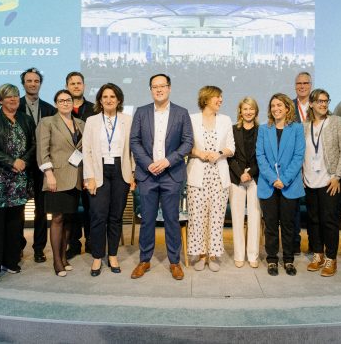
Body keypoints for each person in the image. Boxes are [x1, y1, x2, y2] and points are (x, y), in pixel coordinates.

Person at [129, 74, 193, 280]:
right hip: (147, 175)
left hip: (171, 174)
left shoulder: (181, 113)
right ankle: (144, 260)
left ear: (169, 88)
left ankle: (174, 262)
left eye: (162, 86)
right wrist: (148, 164)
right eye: (154, 86)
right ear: (150, 90)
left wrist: (167, 161)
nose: (158, 89)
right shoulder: (141, 112)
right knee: (147, 220)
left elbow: (187, 142)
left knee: (171, 220)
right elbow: (134, 141)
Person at [0, 84, 36, 283]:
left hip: (18, 179)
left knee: (14, 223)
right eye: (8, 96)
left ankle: (10, 261)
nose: (13, 99)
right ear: (0, 100)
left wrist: (23, 161)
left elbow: (34, 145)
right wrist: (11, 162)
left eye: (16, 96)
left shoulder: (26, 120)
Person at [83, 83, 134, 276]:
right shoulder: (92, 121)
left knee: (116, 216)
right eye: (105, 97)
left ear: (118, 100)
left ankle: (112, 255)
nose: (109, 100)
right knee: (98, 215)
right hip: (99, 170)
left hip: (121, 170)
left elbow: (132, 150)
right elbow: (87, 151)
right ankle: (97, 257)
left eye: (112, 96)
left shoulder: (127, 120)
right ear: (100, 100)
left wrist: (133, 174)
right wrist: (89, 177)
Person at [36, 89, 85, 277]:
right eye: (61, 100)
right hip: (55, 178)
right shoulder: (47, 122)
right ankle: (57, 261)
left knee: (68, 221)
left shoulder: (80, 123)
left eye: (68, 100)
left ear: (73, 102)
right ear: (56, 104)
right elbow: (43, 151)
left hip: (75, 179)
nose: (65, 103)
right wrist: (49, 174)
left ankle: (64, 257)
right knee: (57, 219)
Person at [256, 93, 305, 276]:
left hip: (290, 185)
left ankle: (289, 259)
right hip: (268, 185)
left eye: (279, 105)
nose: (276, 108)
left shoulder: (297, 129)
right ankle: (272, 260)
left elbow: (298, 156)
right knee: (270, 225)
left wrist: (284, 180)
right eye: (273, 106)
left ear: (287, 108)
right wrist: (273, 179)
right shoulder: (264, 129)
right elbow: (260, 156)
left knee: (288, 225)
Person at [187, 86, 235, 272]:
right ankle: (200, 255)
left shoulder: (225, 120)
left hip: (219, 177)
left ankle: (213, 255)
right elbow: (185, 145)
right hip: (197, 176)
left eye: (221, 97)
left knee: (216, 218)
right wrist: (199, 153)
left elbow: (231, 147)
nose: (220, 100)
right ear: (206, 99)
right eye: (217, 97)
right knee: (197, 218)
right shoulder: (191, 119)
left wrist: (219, 153)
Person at [302, 89, 341, 277]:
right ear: (311, 103)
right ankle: (318, 254)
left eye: (326, 101)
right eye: (319, 101)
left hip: (330, 181)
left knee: (329, 221)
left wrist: (337, 176)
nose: (323, 104)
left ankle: (331, 258)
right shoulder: (305, 126)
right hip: (309, 180)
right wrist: (302, 176)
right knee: (313, 220)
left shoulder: (336, 122)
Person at [18, 68, 56, 263]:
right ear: (23, 83)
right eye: (29, 81)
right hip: (21, 165)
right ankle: (18, 246)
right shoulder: (15, 106)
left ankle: (39, 248)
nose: (33, 84)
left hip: (43, 166)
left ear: (40, 83)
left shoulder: (49, 109)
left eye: (36, 81)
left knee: (42, 209)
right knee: (19, 208)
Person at [65, 71, 96, 259]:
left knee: (92, 206)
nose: (76, 86)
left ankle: (92, 242)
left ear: (84, 86)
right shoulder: (61, 109)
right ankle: (74, 244)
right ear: (67, 86)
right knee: (71, 208)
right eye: (72, 83)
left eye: (79, 83)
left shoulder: (94, 109)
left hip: (90, 165)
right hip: (68, 167)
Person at [228, 97, 261, 269]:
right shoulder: (233, 130)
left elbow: (264, 155)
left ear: (256, 111)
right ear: (240, 111)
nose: (248, 112)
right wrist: (241, 173)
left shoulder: (262, 131)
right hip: (236, 178)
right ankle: (239, 255)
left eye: (251, 109)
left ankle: (253, 255)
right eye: (245, 109)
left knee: (255, 217)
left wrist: (250, 173)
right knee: (237, 217)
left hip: (256, 177)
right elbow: (230, 156)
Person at [291, 71, 312, 255]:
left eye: (305, 83)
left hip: (315, 163)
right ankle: (295, 244)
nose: (302, 86)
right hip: (293, 163)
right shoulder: (288, 107)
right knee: (294, 207)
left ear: (310, 85)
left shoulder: (318, 105)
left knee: (314, 207)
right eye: (299, 83)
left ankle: (315, 245)